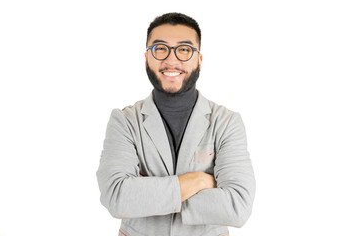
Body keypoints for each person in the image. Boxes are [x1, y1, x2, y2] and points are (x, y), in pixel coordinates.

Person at [96, 12, 256, 236]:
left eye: (184, 49)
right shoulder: (124, 121)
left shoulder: (226, 122)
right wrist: (202, 181)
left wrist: (147, 195)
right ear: (146, 58)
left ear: (199, 60)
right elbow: (116, 197)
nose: (171, 60)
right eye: (160, 48)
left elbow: (238, 206)